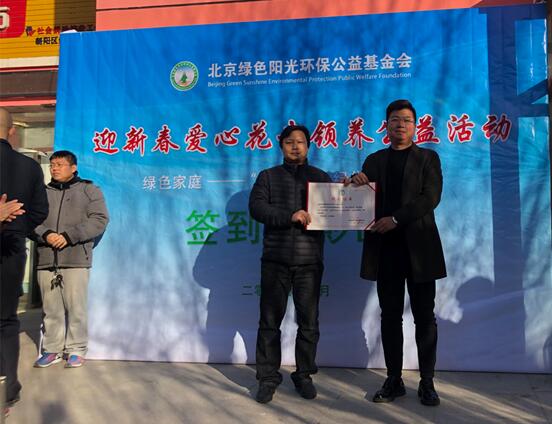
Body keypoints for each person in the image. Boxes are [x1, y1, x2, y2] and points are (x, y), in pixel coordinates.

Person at [347, 99, 446, 406]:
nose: (400, 125)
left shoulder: (428, 158)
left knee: (424, 317)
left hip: (420, 249)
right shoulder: (374, 160)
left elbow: (431, 197)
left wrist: (396, 219)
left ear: (415, 126)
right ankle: (394, 380)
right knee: (389, 317)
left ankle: (427, 382)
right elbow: (361, 201)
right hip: (385, 250)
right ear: (386, 126)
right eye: (394, 120)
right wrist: (354, 184)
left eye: (406, 120)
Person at [249, 124, 331, 404]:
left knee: (308, 323)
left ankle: (303, 375)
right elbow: (257, 208)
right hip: (276, 261)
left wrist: (350, 193)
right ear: (281, 145)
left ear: (309, 146)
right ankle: (267, 378)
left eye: (301, 142)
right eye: (289, 142)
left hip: (310, 262)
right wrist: (290, 215)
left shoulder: (320, 178)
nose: (295, 146)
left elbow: (337, 208)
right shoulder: (268, 177)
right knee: (269, 322)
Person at [33, 150, 108, 369]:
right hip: (47, 258)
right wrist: (46, 235)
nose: (54, 168)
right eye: (52, 165)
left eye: (60, 164)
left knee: (76, 308)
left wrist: (68, 236)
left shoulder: (89, 190)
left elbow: (100, 219)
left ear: (73, 168)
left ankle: (76, 349)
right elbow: (31, 220)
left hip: (76, 258)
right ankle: (52, 349)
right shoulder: (41, 193)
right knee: (51, 309)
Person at [0, 107, 49, 412]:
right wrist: (17, 226)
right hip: (12, 250)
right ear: (12, 131)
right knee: (6, 320)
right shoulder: (29, 167)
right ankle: (8, 388)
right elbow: (40, 211)